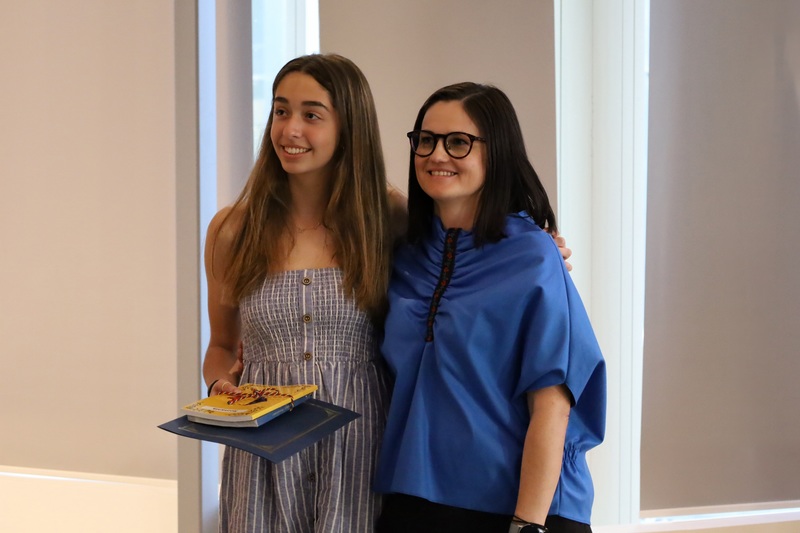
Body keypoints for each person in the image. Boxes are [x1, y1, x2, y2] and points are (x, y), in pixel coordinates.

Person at [374, 82, 607, 533]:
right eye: (426, 140)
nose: (436, 155)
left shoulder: (533, 255)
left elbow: (553, 406)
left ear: (496, 152)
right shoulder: (405, 257)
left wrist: (527, 525)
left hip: (520, 508)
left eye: (458, 142)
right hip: (415, 499)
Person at [202, 53, 398, 532]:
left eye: (311, 115)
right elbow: (222, 346)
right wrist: (218, 386)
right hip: (262, 456)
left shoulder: (389, 219)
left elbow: (466, 259)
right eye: (280, 110)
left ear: (348, 126)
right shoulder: (232, 228)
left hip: (360, 448)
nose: (290, 130)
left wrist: (540, 247)